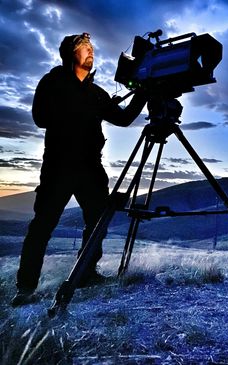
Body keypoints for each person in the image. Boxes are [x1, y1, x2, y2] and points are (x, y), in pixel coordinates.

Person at [11, 33, 147, 306]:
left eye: (91, 48)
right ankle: (25, 288)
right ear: (69, 54)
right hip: (58, 166)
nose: (90, 51)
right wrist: (75, 107)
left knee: (96, 224)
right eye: (84, 48)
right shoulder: (52, 82)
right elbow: (40, 118)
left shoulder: (96, 93)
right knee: (42, 227)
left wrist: (144, 93)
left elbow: (123, 118)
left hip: (91, 168)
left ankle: (85, 274)